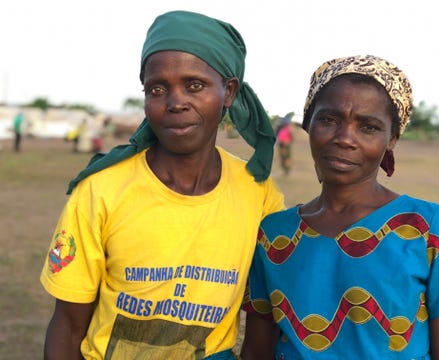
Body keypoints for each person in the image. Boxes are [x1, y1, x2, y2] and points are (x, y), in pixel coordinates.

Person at [40, 10, 284, 360]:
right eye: (157, 88)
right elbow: (67, 327)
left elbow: (265, 316)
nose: (176, 102)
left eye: (195, 85)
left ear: (229, 91)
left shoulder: (258, 194)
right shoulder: (101, 191)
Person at [241, 55, 439, 359]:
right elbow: (255, 351)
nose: (344, 139)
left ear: (391, 139)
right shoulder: (274, 235)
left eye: (367, 127)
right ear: (307, 124)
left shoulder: (432, 229)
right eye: (329, 120)